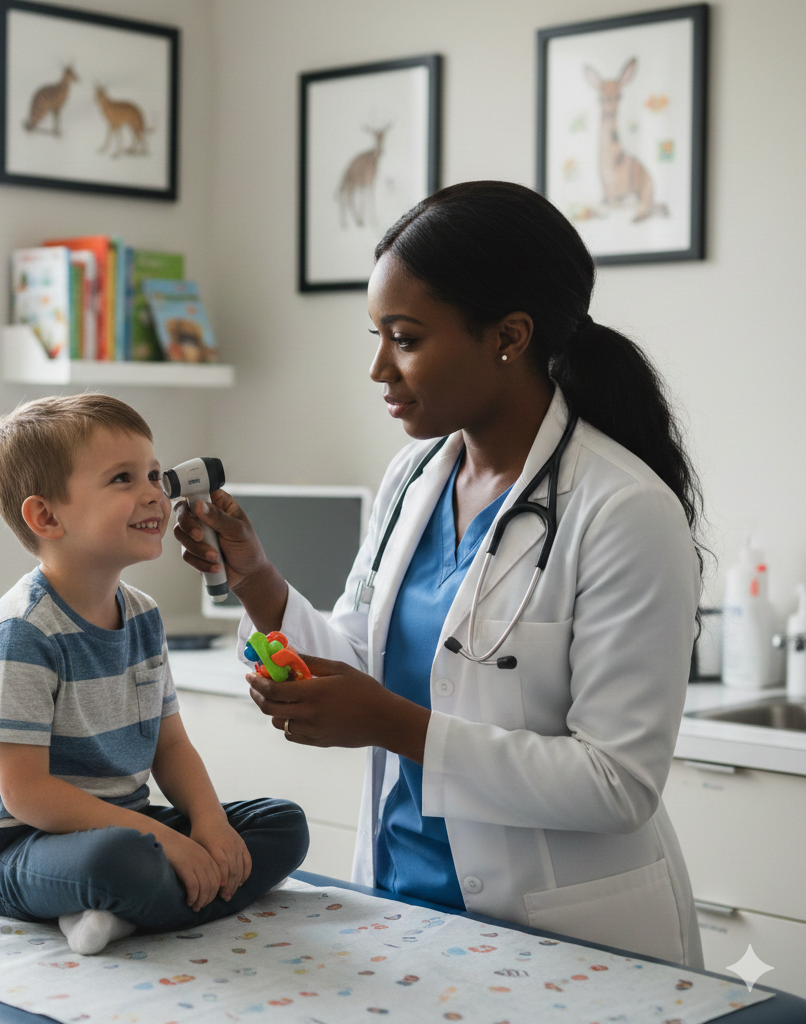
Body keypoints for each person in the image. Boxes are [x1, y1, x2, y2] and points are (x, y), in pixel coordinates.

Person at [175, 181, 705, 967]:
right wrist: (256, 579)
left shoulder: (623, 509)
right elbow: (366, 662)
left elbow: (617, 783)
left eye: (406, 338)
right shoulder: (414, 477)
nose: (378, 368)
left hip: (560, 935)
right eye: (378, 336)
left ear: (509, 337)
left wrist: (393, 724)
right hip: (403, 901)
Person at [0, 394, 308, 956]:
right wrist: (165, 838)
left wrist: (209, 824)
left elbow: (171, 746)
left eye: (153, 475)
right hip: (20, 844)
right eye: (122, 478)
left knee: (283, 825)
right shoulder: (21, 634)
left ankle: (128, 911)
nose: (154, 494)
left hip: (126, 823)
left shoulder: (143, 616)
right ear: (47, 517)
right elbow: (26, 794)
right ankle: (138, 896)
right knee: (118, 861)